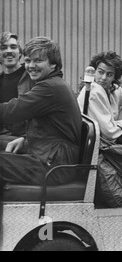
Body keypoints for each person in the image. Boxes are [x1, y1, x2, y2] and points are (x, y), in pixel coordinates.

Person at [0, 36, 82, 187]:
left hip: (54, 167)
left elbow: (11, 111)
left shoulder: (50, 88)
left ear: (53, 65)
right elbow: (49, 128)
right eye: (28, 60)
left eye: (38, 61)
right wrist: (25, 140)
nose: (31, 66)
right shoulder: (52, 84)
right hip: (51, 158)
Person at [77, 51, 122, 146]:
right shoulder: (94, 90)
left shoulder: (112, 91)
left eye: (109, 74)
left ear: (114, 77)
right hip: (95, 145)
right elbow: (109, 132)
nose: (103, 78)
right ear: (94, 72)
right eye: (100, 72)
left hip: (109, 141)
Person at [0, 32, 34, 146]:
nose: (9, 51)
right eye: (3, 48)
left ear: (20, 53)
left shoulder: (32, 76)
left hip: (26, 139)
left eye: (13, 47)